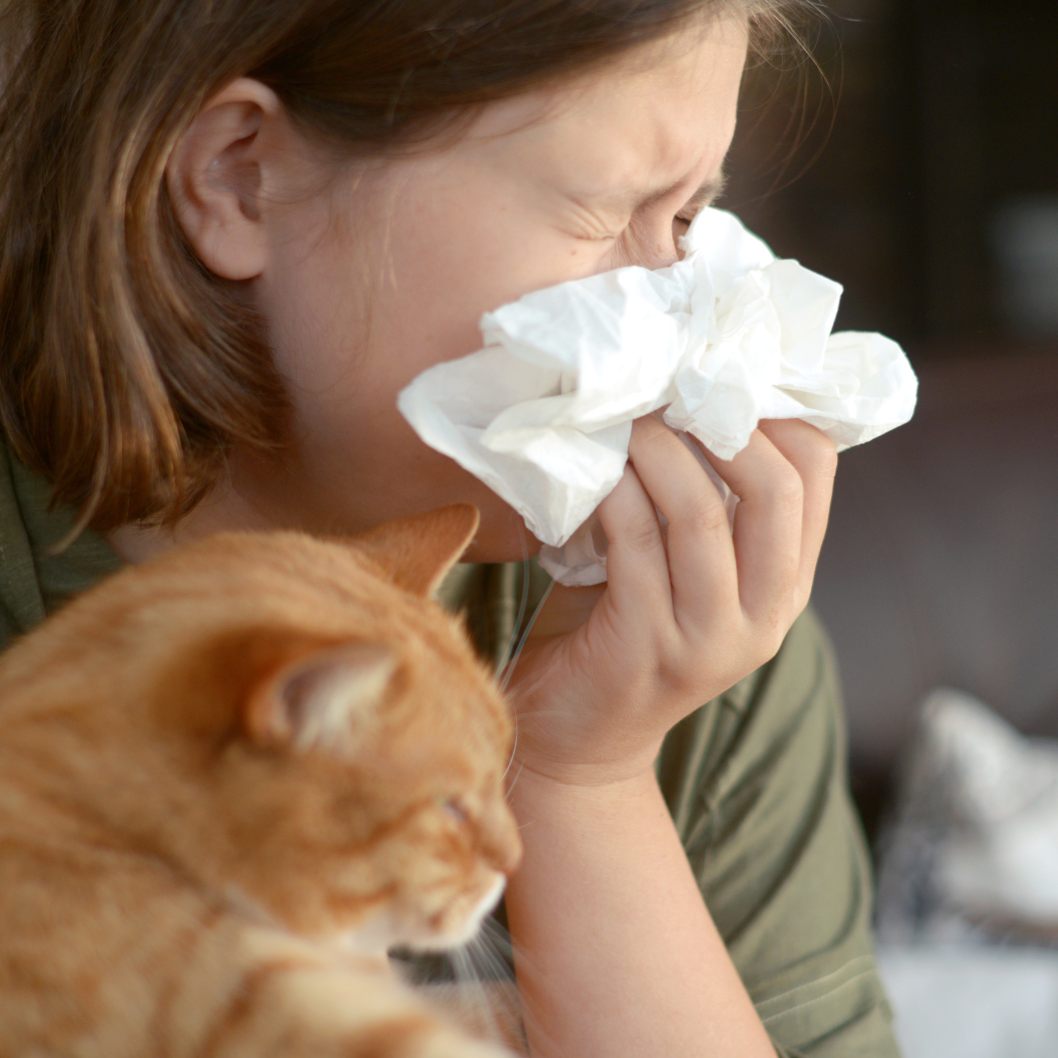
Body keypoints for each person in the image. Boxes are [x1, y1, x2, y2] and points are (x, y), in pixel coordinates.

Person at [0, 2, 901, 1056]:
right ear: (241, 177)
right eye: (607, 206)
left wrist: (581, 779)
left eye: (690, 217)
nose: (675, 295)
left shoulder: (680, 629)